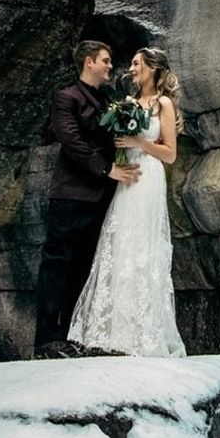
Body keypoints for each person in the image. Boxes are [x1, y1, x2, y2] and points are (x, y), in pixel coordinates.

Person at [68, 46, 187, 357]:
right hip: (127, 176)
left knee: (143, 248)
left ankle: (143, 332)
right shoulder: (129, 103)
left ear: (152, 67)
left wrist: (139, 142)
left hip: (148, 176)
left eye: (136, 63)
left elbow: (171, 154)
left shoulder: (163, 104)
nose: (131, 68)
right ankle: (113, 332)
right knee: (120, 244)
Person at [33, 40, 139, 359]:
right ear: (89, 62)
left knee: (82, 268)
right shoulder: (66, 97)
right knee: (57, 265)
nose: (110, 66)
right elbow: (72, 142)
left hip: (99, 198)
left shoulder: (108, 99)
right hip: (69, 194)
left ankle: (69, 335)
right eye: (105, 61)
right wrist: (108, 169)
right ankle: (46, 340)